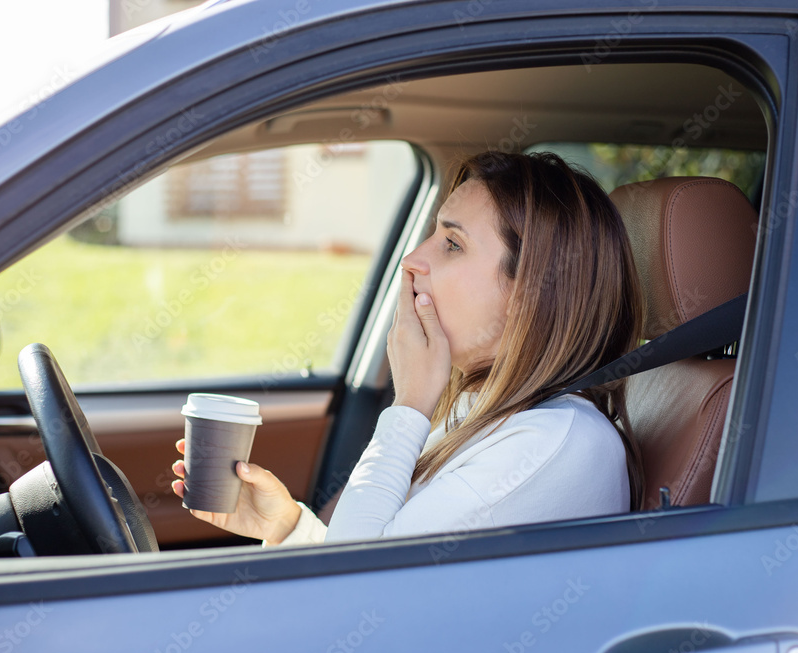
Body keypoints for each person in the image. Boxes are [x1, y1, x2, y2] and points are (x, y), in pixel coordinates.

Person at [171, 150, 644, 547]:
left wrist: (411, 403)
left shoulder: (558, 444)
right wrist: (290, 528)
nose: (414, 258)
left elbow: (354, 588)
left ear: (531, 295)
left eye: (453, 244)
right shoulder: (484, 411)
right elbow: (382, 561)